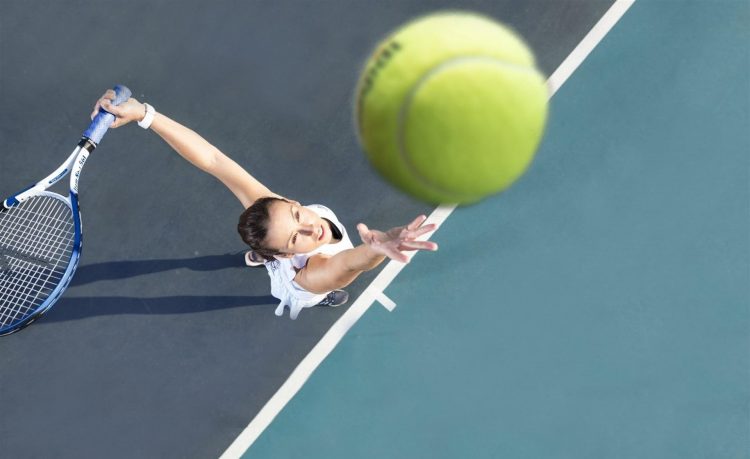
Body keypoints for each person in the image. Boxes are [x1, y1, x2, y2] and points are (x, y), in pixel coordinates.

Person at [91, 89, 438, 319]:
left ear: (290, 201)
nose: (310, 227)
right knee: (324, 291)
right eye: (295, 239)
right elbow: (346, 266)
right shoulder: (312, 275)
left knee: (265, 228)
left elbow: (213, 159)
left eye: (296, 215)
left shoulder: (275, 211)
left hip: (273, 246)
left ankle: (259, 254)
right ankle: (264, 258)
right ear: (289, 256)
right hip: (300, 285)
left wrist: (144, 114)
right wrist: (376, 250)